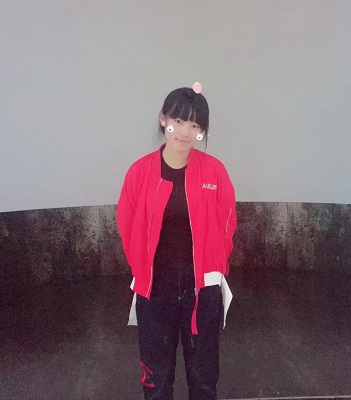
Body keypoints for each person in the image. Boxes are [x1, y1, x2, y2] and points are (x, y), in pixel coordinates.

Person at [116, 82, 237, 400]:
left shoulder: (214, 171)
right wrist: (141, 268)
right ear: (163, 119)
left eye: (195, 125)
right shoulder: (140, 172)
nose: (185, 131)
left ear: (201, 131)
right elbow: (126, 222)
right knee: (156, 382)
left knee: (204, 380)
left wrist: (214, 267)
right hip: (155, 290)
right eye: (179, 121)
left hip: (202, 292)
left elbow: (228, 222)